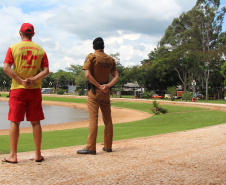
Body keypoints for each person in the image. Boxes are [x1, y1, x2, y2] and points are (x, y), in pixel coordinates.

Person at [2, 23, 49, 163]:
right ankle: (38, 155)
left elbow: (6, 68)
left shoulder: (13, 48)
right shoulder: (40, 50)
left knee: (15, 122)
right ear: (33, 34)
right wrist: (33, 80)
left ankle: (13, 156)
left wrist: (21, 81)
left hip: (18, 89)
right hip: (34, 90)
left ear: (20, 33)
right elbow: (46, 71)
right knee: (36, 123)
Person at [77, 37, 119, 155]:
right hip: (106, 93)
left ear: (93, 47)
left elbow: (88, 75)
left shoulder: (92, 57)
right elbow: (116, 76)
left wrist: (99, 86)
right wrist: (107, 85)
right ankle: (108, 146)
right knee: (108, 120)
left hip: (94, 92)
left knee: (93, 119)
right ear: (103, 47)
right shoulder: (111, 59)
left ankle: (91, 147)